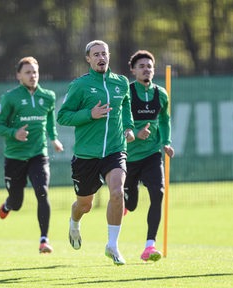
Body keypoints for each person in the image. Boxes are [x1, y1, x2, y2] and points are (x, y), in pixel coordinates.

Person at [57, 40, 135, 265]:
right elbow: (63, 116)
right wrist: (89, 114)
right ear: (88, 59)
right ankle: (74, 223)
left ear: (109, 56)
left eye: (104, 54)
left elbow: (126, 107)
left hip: (115, 149)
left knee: (117, 193)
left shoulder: (121, 83)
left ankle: (112, 245)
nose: (101, 58)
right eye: (96, 54)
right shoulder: (80, 85)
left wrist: (129, 127)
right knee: (85, 205)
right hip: (86, 155)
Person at [0, 56, 64, 254]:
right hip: (15, 157)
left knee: (42, 191)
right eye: (28, 72)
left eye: (35, 72)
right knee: (17, 202)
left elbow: (49, 120)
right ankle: (8, 204)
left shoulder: (48, 96)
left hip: (38, 154)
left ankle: (44, 240)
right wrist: (14, 133)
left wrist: (54, 138)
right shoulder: (10, 98)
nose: (33, 76)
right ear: (18, 75)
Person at [124, 50, 174, 262]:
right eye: (142, 66)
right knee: (132, 204)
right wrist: (135, 134)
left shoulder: (161, 93)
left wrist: (166, 142)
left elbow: (164, 120)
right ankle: (126, 201)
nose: (146, 69)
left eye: (150, 66)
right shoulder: (126, 93)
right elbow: (118, 122)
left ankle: (149, 246)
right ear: (133, 70)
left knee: (158, 193)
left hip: (152, 154)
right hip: (128, 156)